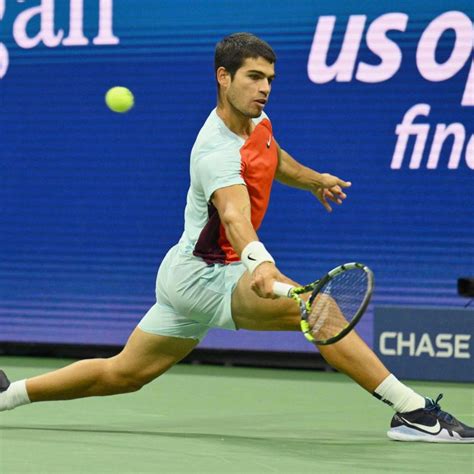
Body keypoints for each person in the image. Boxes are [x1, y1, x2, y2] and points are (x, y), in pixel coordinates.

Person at [0, 32, 472, 444]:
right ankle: (414, 412)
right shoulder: (214, 152)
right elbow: (232, 214)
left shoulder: (257, 121)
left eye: (269, 78)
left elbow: (273, 156)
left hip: (185, 271)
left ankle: (6, 397)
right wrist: (258, 262)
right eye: (253, 77)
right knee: (318, 310)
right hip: (209, 275)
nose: (264, 88)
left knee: (123, 374)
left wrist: (312, 179)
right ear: (223, 77)